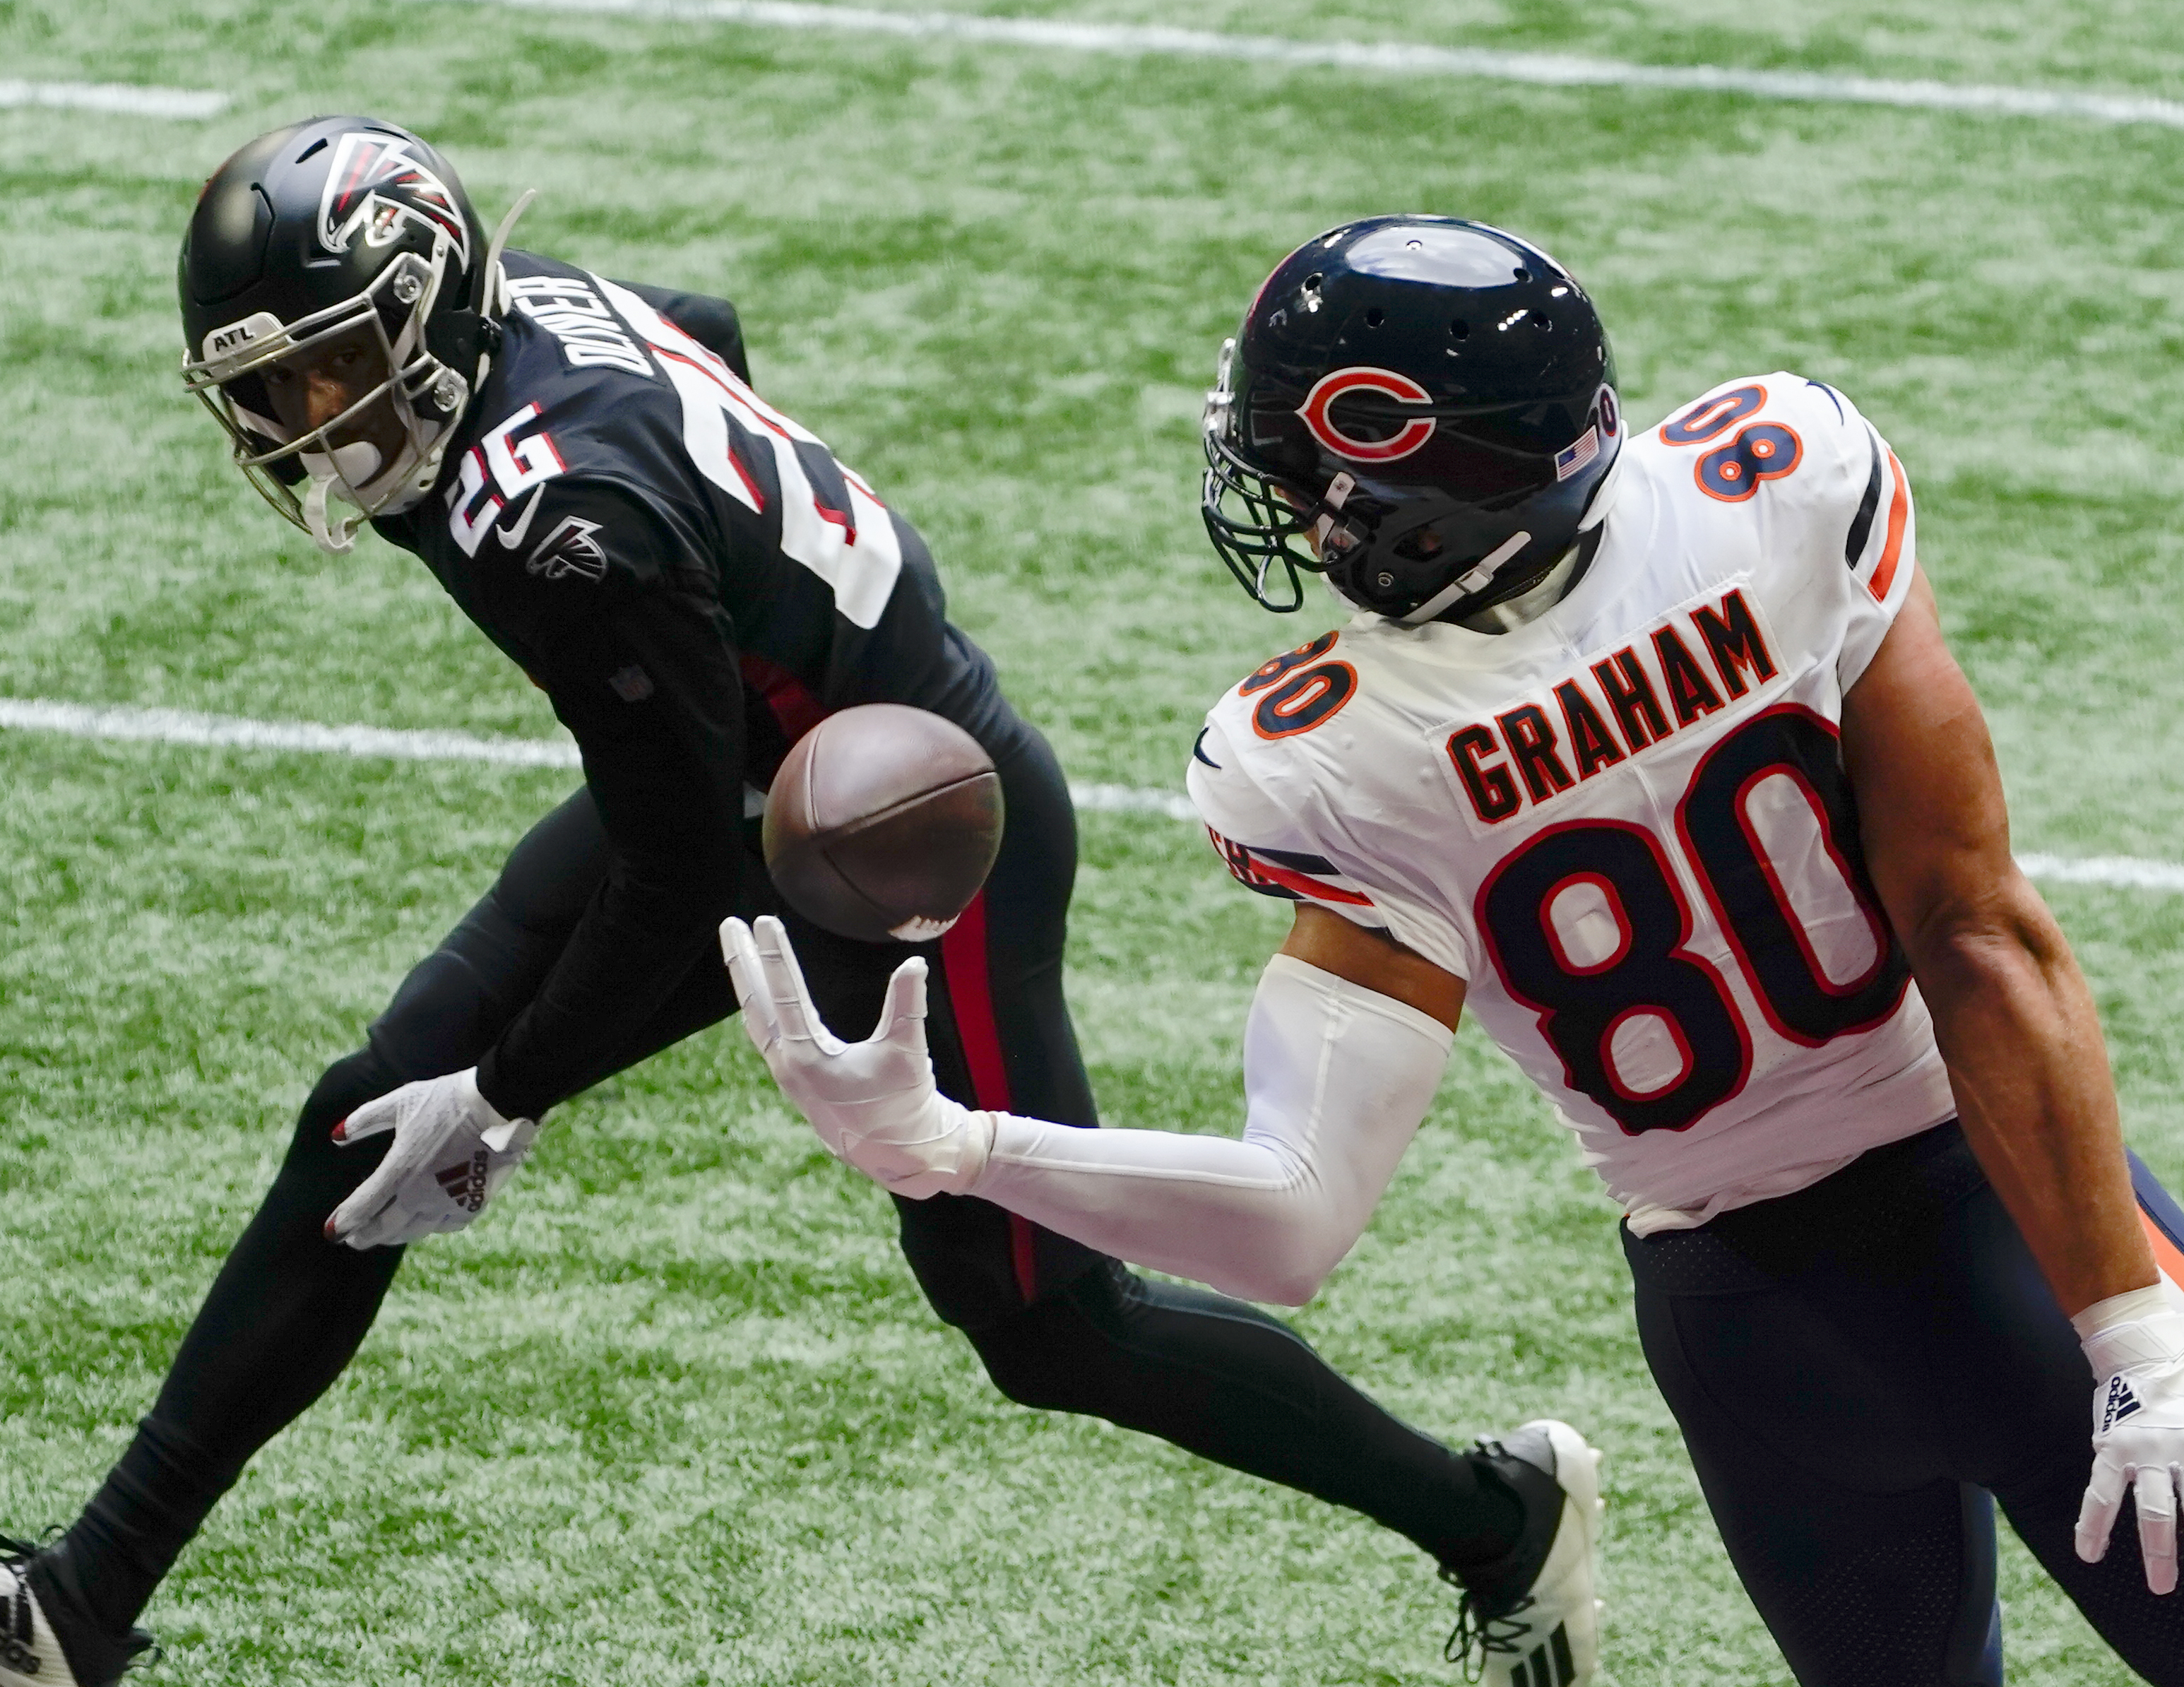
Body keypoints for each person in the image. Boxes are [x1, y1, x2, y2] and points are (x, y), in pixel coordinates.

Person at [723, 215, 2184, 1687]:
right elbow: (1975, 935)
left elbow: (1293, 1216)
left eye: (1320, 479)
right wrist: (2134, 1336)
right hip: (2006, 1228)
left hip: (1745, 1330)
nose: (1298, 515)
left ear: (1423, 492)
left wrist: (953, 1151)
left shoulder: (1325, 745)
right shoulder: (1775, 482)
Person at [0, 130, 1604, 1687]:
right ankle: (76, 1607)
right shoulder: (528, 311)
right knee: (366, 1120)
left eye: (323, 369)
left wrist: (510, 1091)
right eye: (269, 386)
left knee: (1054, 1327)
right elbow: (700, 335)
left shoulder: (560, 526)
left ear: (423, 317)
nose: (296, 419)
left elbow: (679, 869)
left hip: (915, 843)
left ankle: (1495, 1519)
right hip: (779, 778)